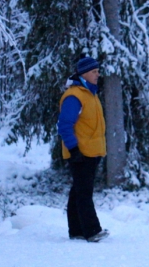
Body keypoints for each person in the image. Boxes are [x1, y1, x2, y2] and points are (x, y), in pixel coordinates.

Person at [57, 54, 109, 243]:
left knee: (78, 191)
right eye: (94, 72)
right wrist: (74, 150)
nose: (98, 75)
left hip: (92, 151)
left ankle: (77, 230)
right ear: (85, 74)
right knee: (84, 192)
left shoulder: (90, 94)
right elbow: (64, 125)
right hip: (81, 152)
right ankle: (92, 231)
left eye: (97, 71)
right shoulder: (74, 96)